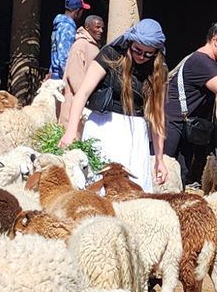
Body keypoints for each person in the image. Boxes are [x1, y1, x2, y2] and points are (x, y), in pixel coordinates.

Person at [61, 15, 166, 186]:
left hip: (136, 134)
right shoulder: (111, 54)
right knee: (100, 186)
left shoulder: (159, 69)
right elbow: (83, 93)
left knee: (132, 189)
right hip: (104, 127)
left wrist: (159, 159)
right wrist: (71, 131)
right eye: (137, 50)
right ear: (130, 43)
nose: (141, 57)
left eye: (148, 54)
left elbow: (157, 116)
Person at [164, 16, 217, 187]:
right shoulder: (201, 61)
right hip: (172, 127)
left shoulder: (206, 61)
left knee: (181, 177)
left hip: (185, 130)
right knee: (166, 176)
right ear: (216, 40)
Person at [57, 8, 105, 128]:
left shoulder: (93, 46)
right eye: (97, 27)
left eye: (102, 28)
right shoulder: (81, 45)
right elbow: (74, 76)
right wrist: (85, 97)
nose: (101, 31)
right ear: (87, 27)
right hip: (75, 104)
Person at [48, 0, 89, 81]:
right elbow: (64, 57)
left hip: (54, 75)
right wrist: (71, 80)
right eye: (82, 11)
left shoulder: (58, 25)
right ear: (77, 11)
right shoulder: (67, 28)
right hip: (61, 79)